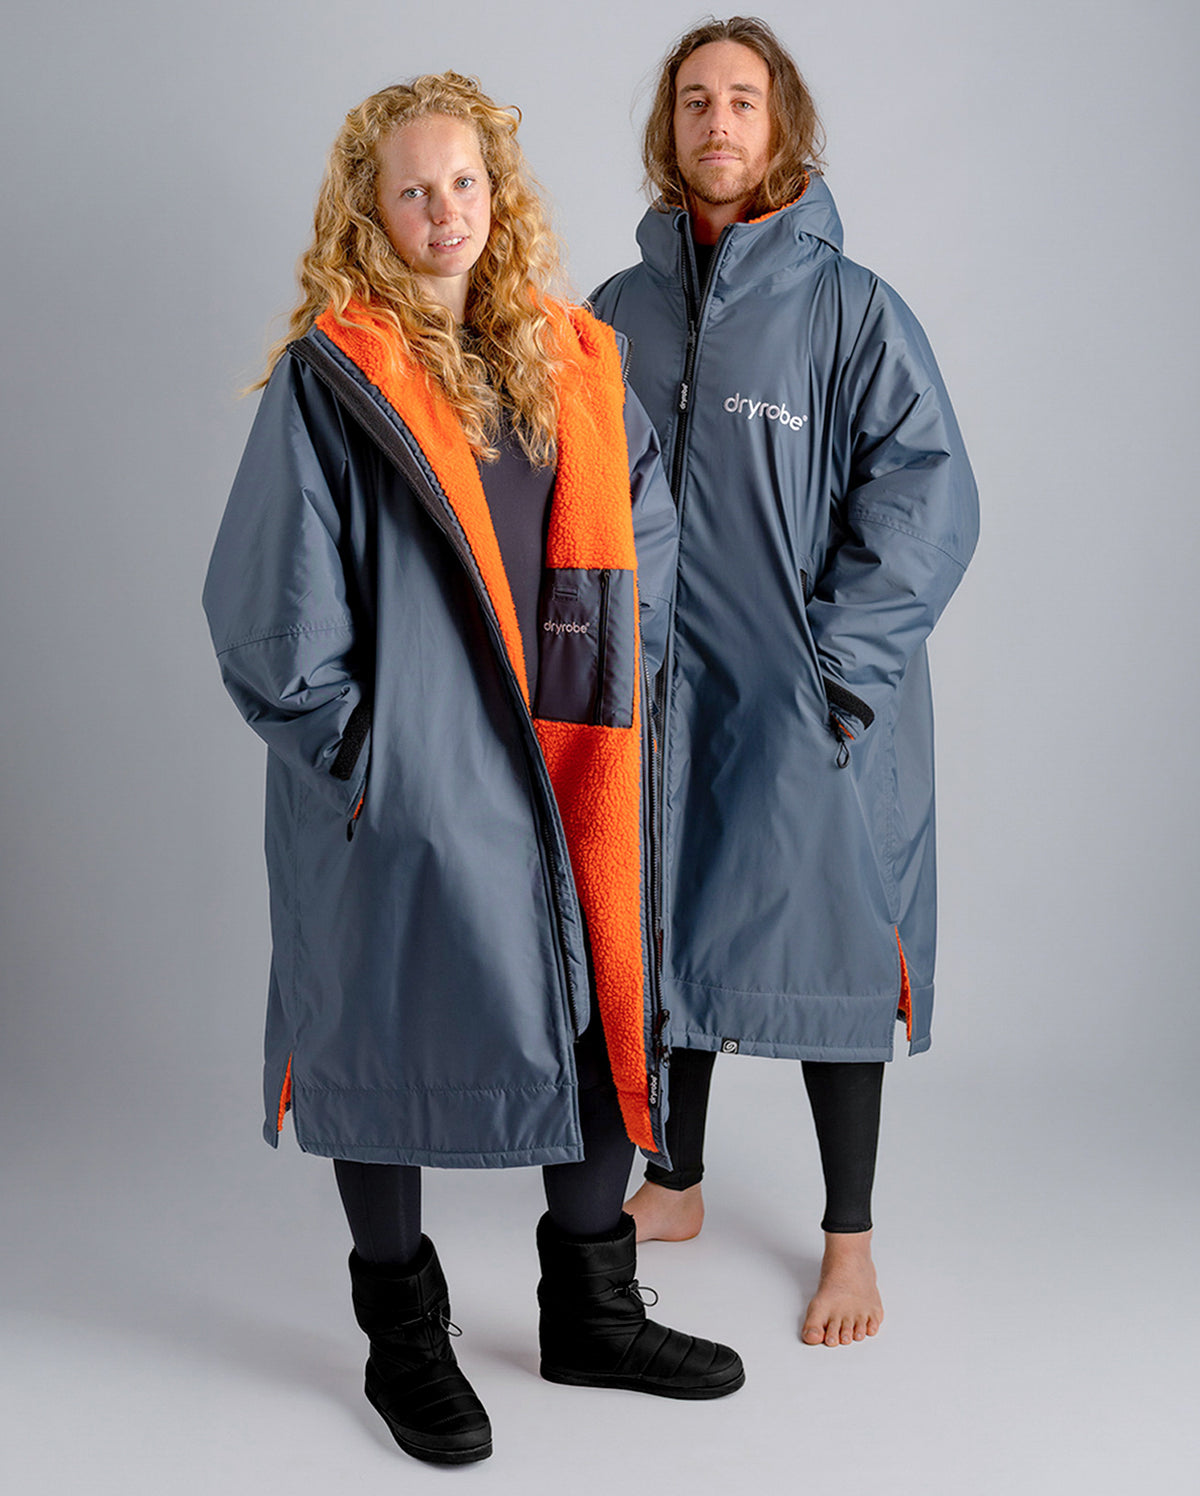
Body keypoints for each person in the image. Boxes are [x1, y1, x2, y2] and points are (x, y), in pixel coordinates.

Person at [203, 72, 744, 1468]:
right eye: (413, 190)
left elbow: (646, 536)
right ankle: (403, 1339)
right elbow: (269, 609)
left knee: (600, 1010)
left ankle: (592, 1313)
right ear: (370, 214)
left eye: (464, 183)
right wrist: (370, 759)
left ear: (498, 196)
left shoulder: (573, 357)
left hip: (572, 758)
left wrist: (614, 700)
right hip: (408, 785)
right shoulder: (333, 379)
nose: (444, 211)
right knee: (379, 1031)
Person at [590, 17, 979, 1347]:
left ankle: (849, 1243)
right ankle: (677, 1181)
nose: (718, 123)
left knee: (830, 952)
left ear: (780, 125)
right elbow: (572, 500)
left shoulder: (852, 310)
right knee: (673, 922)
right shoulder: (616, 315)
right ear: (670, 127)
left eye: (742, 101)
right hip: (664, 697)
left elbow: (928, 498)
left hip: (809, 703)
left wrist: (840, 676)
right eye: (695, 100)